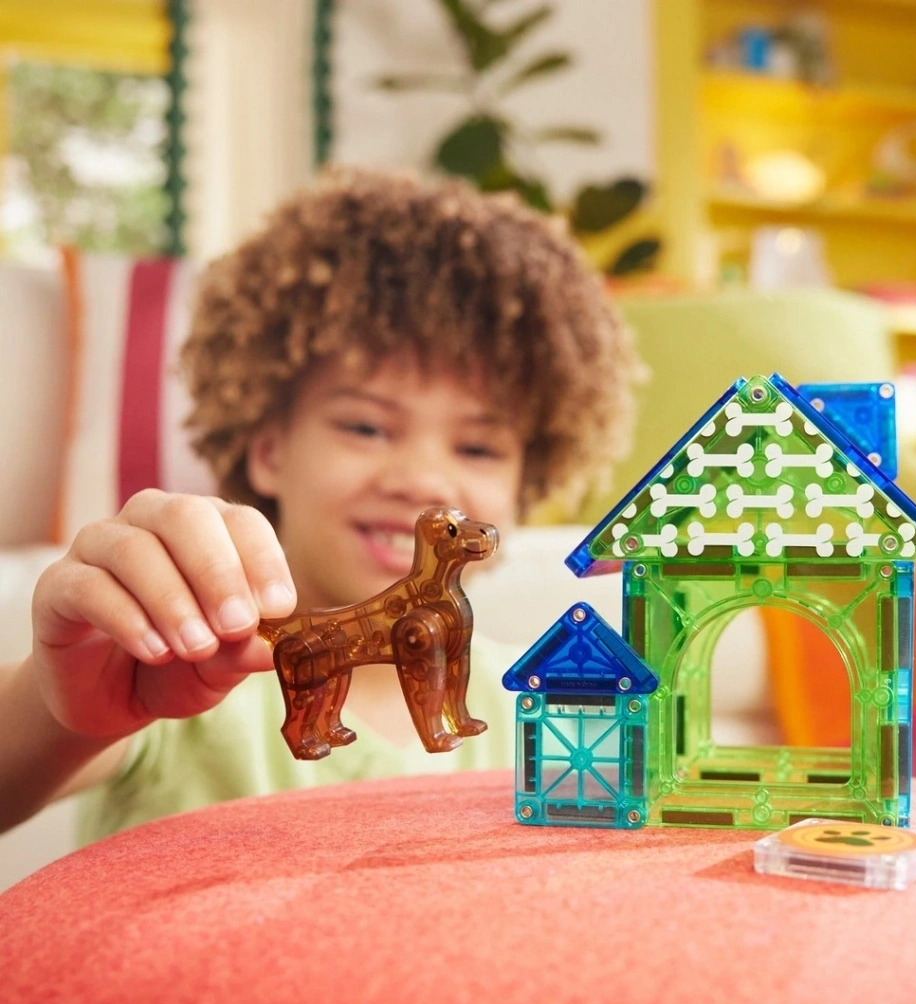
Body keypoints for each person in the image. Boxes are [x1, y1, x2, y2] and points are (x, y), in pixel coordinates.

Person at [0, 166, 643, 842]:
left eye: (478, 448)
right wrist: (54, 708)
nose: (423, 480)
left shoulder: (531, 707)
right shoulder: (176, 675)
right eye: (365, 427)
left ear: (527, 481)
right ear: (269, 450)